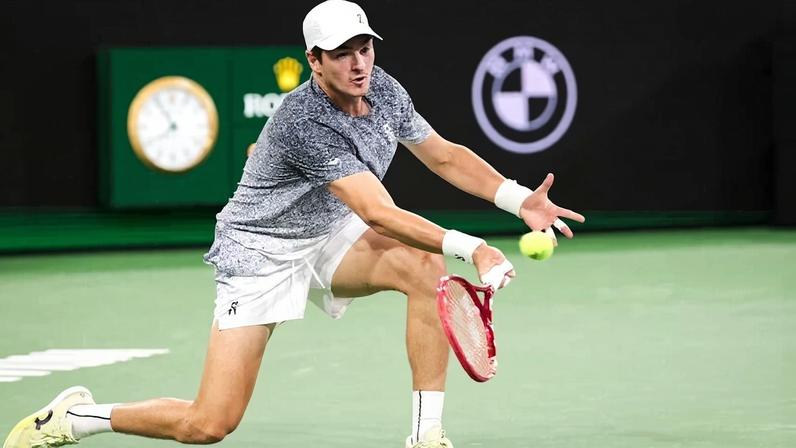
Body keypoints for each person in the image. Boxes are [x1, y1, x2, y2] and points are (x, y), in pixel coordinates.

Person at [2, 1, 585, 447]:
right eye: (342, 53)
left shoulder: (383, 90)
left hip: (328, 234)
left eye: (365, 47)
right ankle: (76, 417)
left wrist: (516, 200)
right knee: (210, 423)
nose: (359, 63)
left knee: (421, 264)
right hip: (260, 254)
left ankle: (424, 435)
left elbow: (444, 156)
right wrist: (475, 246)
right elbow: (378, 212)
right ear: (314, 61)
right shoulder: (303, 118)